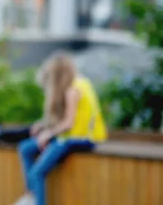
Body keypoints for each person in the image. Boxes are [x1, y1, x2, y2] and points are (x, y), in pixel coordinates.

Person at [7, 52, 108, 205]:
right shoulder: (81, 82)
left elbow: (69, 123)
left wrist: (48, 134)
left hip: (78, 138)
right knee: (26, 148)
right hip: (72, 136)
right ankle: (30, 196)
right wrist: (43, 125)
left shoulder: (73, 90)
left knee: (37, 173)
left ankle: (36, 201)